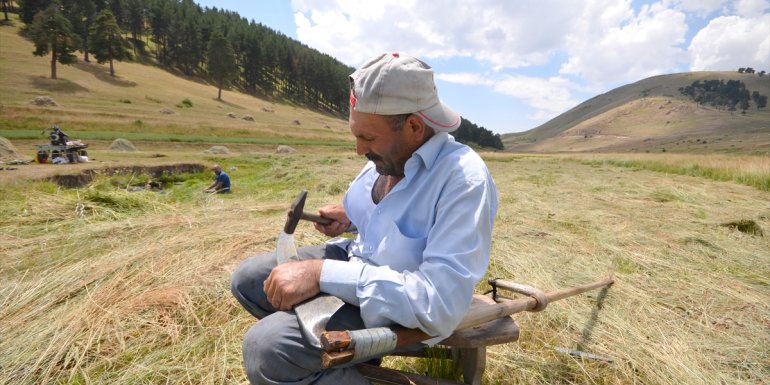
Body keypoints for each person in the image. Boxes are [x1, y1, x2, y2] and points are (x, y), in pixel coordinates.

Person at [230, 52, 498, 385]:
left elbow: (438, 304)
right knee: (249, 279)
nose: (359, 150)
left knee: (267, 349)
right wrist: (351, 217)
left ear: (414, 126)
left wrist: (322, 274)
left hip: (400, 307)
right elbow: (388, 217)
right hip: (358, 261)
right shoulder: (392, 155)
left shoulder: (463, 180)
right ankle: (331, 363)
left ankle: (315, 360)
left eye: (368, 138)